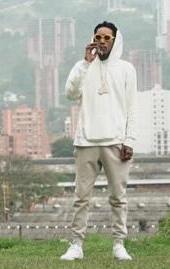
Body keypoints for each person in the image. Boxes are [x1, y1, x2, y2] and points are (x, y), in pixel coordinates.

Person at [60, 21, 137, 261]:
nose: (102, 41)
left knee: (118, 197)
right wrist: (85, 63)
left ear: (115, 40)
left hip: (115, 141)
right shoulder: (84, 67)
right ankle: (76, 245)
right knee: (81, 197)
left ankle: (118, 244)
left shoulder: (126, 69)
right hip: (86, 141)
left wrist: (129, 140)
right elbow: (70, 94)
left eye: (107, 38)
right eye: (98, 37)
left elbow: (133, 107)